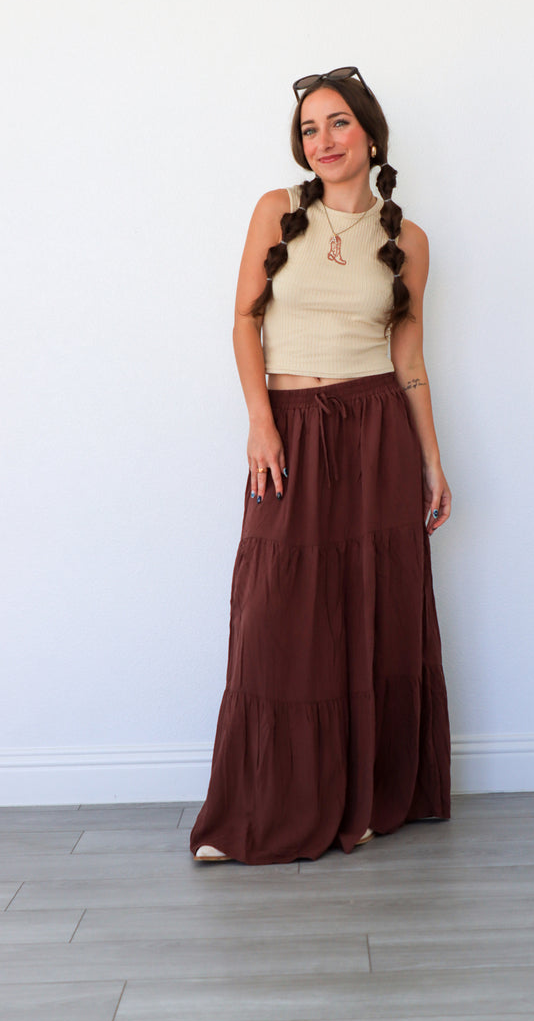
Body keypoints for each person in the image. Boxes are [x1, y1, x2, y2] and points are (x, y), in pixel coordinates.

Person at [190, 67, 452, 865]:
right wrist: (260, 421)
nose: (323, 141)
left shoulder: (409, 241)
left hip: (376, 431)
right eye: (309, 128)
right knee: (277, 614)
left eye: (338, 123)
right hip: (291, 425)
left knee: (371, 607)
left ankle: (367, 798)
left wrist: (432, 463)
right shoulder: (278, 210)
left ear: (370, 135)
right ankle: (264, 806)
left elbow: (409, 360)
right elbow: (244, 320)